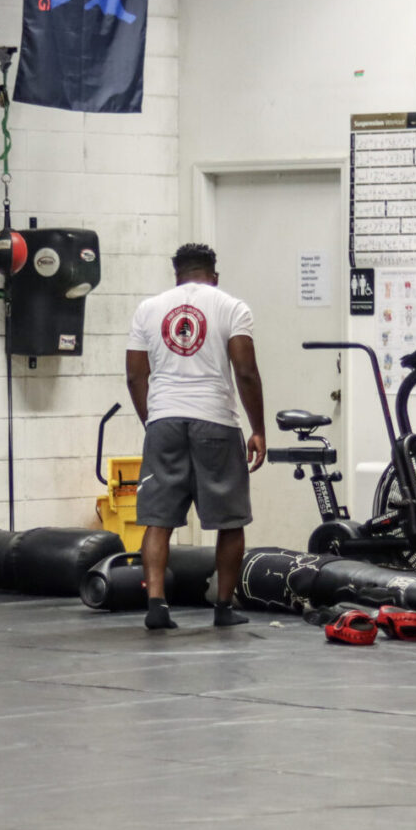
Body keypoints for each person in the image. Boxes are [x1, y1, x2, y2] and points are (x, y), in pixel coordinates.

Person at [125, 243, 266, 631]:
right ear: (214, 275)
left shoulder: (148, 309)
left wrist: (152, 421)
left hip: (164, 420)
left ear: (177, 276)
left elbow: (136, 376)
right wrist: (258, 429)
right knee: (230, 520)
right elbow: (246, 371)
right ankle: (222, 606)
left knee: (158, 519)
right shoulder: (231, 307)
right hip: (216, 421)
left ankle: (156, 605)